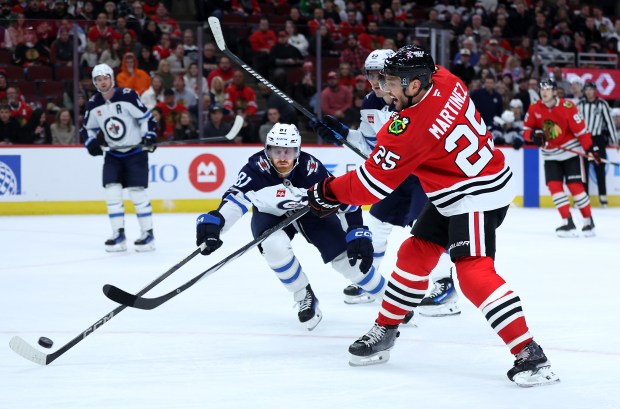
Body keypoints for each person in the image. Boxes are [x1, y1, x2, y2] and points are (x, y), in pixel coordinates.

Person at [307, 45, 559, 387]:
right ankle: (387, 328)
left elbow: (371, 185)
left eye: (393, 83)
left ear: (414, 85)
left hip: (476, 194)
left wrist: (327, 192)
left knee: (472, 272)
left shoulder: (412, 128)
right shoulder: (444, 78)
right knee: (413, 255)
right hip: (458, 187)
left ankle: (530, 353)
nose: (384, 90)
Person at [195, 123, 386, 331]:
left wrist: (356, 230)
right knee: (273, 246)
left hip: (311, 213)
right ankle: (304, 295)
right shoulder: (255, 168)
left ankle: (392, 301)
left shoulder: (311, 169)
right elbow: (235, 200)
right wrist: (217, 223)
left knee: (347, 261)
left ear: (299, 150)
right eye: (277, 151)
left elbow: (343, 200)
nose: (283, 158)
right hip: (270, 214)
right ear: (267, 151)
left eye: (289, 151)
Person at [317, 49, 460, 316]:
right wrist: (344, 134)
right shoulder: (371, 103)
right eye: (370, 75)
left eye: (380, 75)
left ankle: (445, 285)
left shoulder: (415, 99)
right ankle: (371, 281)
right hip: (396, 175)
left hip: (422, 174)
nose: (374, 82)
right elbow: (371, 147)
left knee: (425, 229)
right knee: (376, 225)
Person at [80, 63, 158, 252]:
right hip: (113, 154)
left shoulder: (128, 95)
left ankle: (148, 235)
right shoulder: (93, 103)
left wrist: (149, 136)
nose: (102, 82)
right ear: (94, 82)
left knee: (137, 193)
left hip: (135, 153)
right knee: (112, 193)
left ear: (111, 79)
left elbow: (146, 118)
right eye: (98, 79)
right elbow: (87, 128)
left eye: (105, 78)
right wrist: (90, 142)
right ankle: (118, 235)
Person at [523, 79, 598, 237]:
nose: (545, 92)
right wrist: (533, 136)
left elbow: (581, 131)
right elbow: (527, 129)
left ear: (555, 92)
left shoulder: (567, 106)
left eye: (548, 89)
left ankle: (588, 220)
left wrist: (590, 148)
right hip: (549, 154)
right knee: (554, 187)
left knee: (575, 187)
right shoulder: (534, 107)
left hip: (570, 151)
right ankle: (567, 221)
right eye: (542, 89)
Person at [577, 82, 617, 208]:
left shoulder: (602, 104)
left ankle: (603, 197)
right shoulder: (580, 105)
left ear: (594, 91)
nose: (589, 92)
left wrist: (614, 140)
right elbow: (575, 123)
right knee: (583, 170)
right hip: (583, 138)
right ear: (584, 91)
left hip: (598, 139)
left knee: (600, 167)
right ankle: (584, 198)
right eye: (586, 90)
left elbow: (609, 122)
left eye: (591, 89)